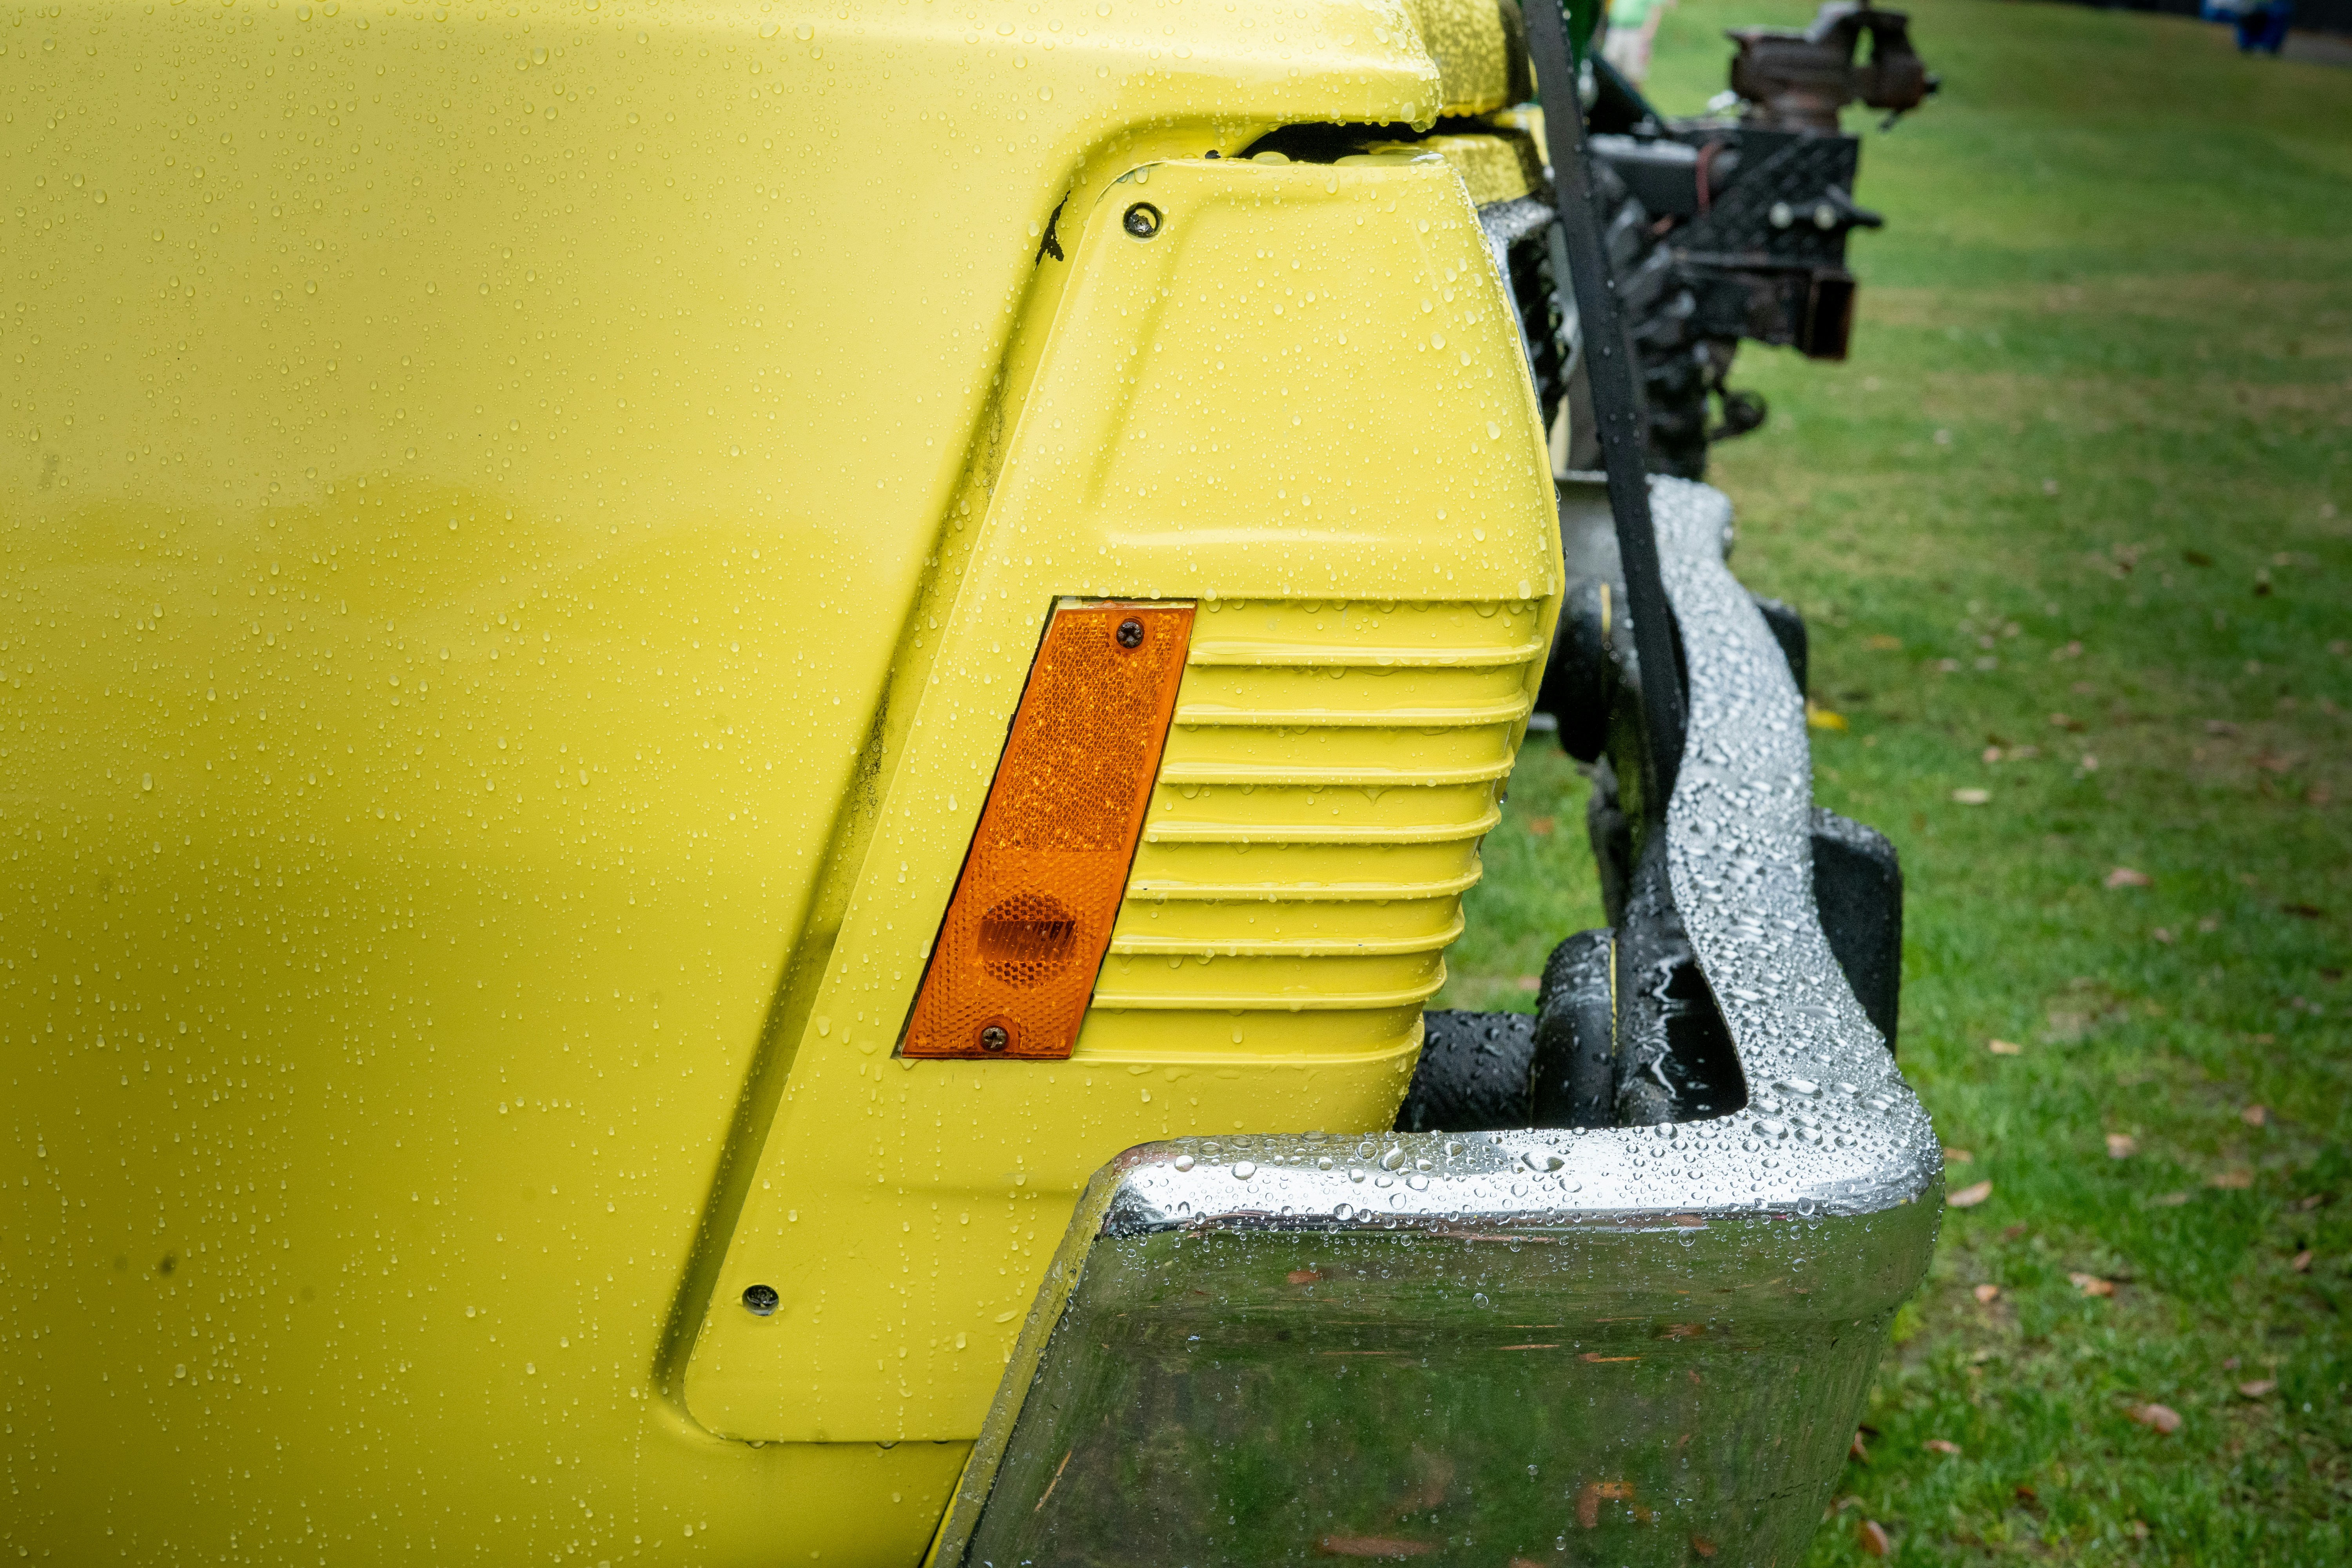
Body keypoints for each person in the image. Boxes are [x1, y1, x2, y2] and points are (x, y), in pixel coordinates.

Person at [1601, 0, 1676, 86]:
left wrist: (1647, 39)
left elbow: (1656, 9)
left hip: (1636, 32)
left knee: (1634, 77)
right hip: (1615, 29)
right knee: (1609, 71)